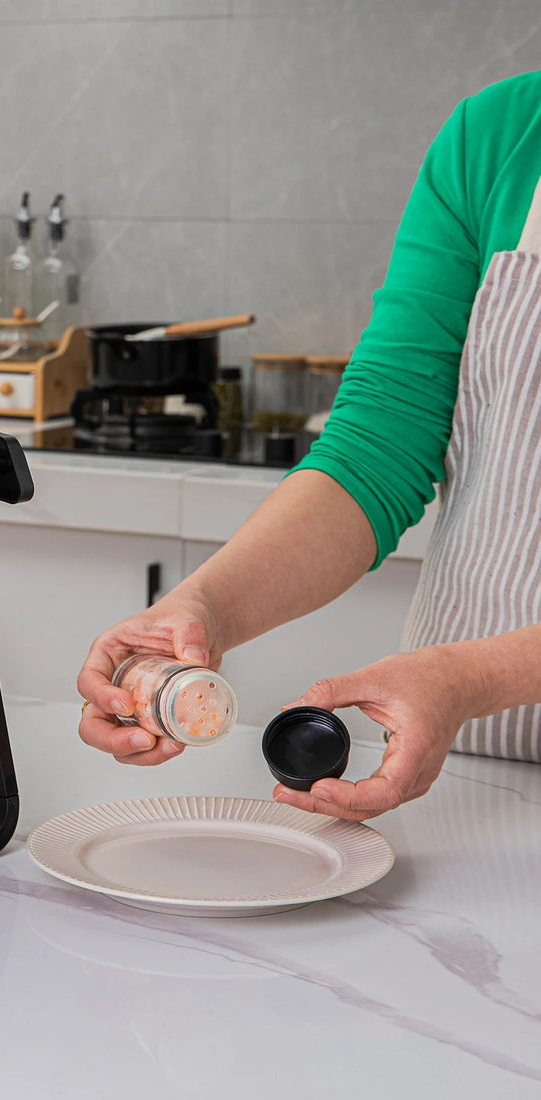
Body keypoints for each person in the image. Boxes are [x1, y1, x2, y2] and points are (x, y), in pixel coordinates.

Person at [77, 71, 541, 820]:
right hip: (464, 769)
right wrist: (202, 607)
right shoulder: (499, 137)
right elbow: (376, 448)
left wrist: (472, 677)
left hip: (459, 702)